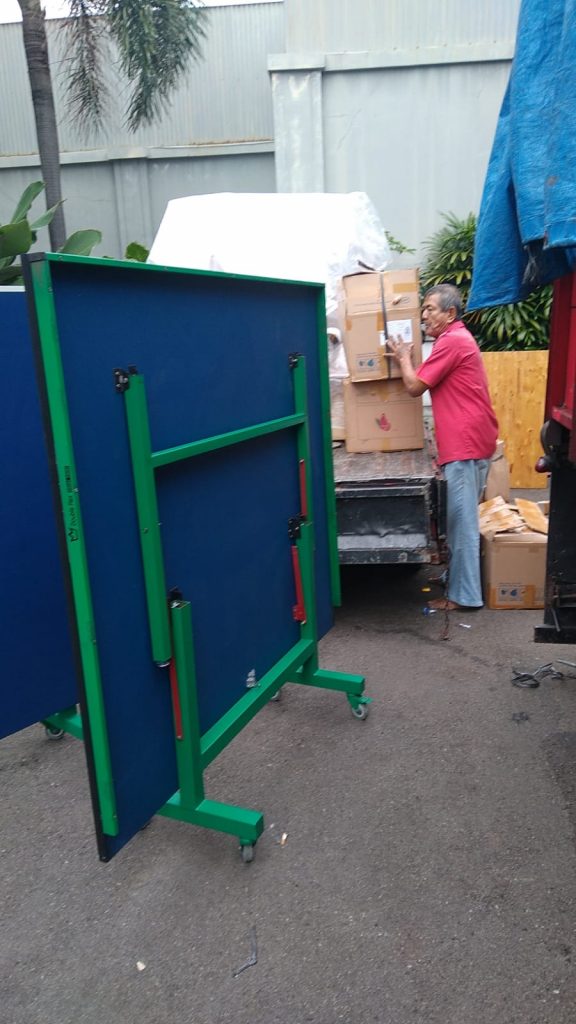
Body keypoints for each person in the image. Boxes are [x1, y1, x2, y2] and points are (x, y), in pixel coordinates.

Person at [388, 283, 498, 610]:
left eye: (430, 309)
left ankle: (464, 597)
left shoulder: (452, 341)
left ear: (450, 313)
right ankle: (458, 578)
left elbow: (414, 386)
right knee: (458, 518)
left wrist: (403, 357)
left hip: (465, 443)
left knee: (462, 524)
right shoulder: (454, 339)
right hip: (470, 440)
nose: (424, 315)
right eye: (423, 308)